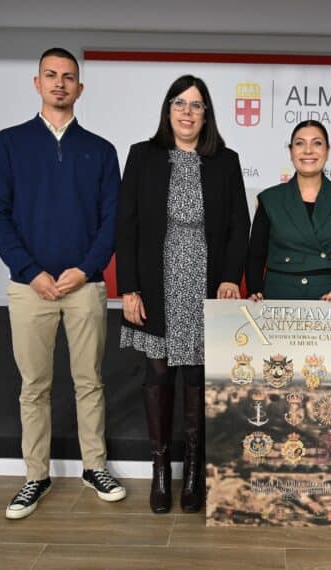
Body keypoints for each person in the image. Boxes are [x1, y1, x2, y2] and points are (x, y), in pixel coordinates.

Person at [0, 47, 125, 520]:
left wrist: (86, 269)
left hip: (84, 285)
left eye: (68, 77)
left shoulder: (101, 150)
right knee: (34, 385)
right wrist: (31, 271)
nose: (59, 83)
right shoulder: (8, 143)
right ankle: (35, 476)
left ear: (80, 88)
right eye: (51, 75)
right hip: (30, 288)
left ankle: (95, 467)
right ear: (37, 83)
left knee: (89, 382)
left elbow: (112, 221)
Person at [116, 75, 250, 514]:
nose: (187, 112)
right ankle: (160, 469)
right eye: (179, 103)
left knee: (196, 375)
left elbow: (239, 227)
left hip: (205, 282)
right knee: (158, 374)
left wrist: (230, 277)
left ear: (206, 114)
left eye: (196, 105)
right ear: (168, 109)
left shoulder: (225, 161)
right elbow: (127, 226)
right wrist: (129, 288)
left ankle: (193, 470)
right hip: (155, 280)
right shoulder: (143, 156)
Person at [246, 120, 331, 301]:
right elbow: (255, 256)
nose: (308, 151)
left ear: (327, 151)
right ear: (291, 152)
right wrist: (255, 292)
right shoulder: (270, 199)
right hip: (278, 301)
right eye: (299, 143)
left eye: (317, 143)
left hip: (330, 302)